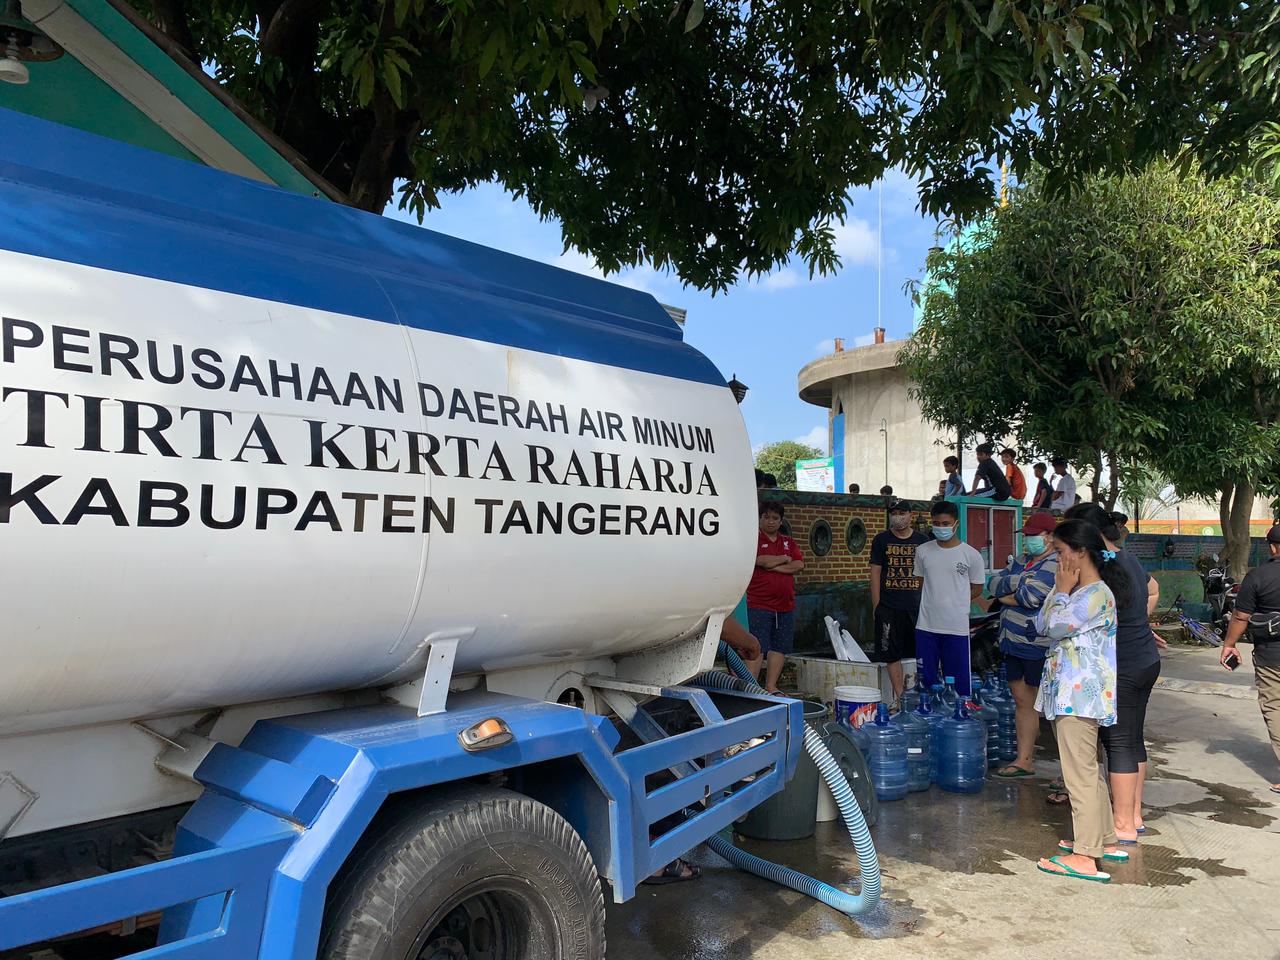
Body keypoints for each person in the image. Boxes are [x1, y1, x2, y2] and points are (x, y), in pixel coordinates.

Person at [1034, 519, 1130, 883]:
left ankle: (1085, 855)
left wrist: (1060, 591)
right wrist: (1061, 591)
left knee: (1079, 775)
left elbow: (1056, 626)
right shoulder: (1078, 592)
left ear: (1081, 552)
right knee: (1087, 770)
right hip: (1073, 695)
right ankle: (1101, 839)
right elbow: (1043, 624)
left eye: (1059, 552)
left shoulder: (1092, 595)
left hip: (1078, 697)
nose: (1056, 559)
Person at [1066, 502, 1161, 838]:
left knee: (1117, 742)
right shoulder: (1127, 559)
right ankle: (1133, 816)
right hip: (1145, 659)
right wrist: (1140, 624)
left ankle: (1122, 825)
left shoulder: (1097, 567)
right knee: (1133, 739)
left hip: (1122, 665)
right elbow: (1153, 590)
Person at [988, 513, 1059, 778]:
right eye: (1026, 536)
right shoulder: (1021, 561)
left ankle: (1071, 775)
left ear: (1049, 537)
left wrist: (1009, 589)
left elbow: (1032, 598)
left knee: (1051, 707)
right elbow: (992, 584)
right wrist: (1017, 584)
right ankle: (1024, 760)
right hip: (1012, 642)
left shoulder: (1056, 563)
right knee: (1022, 701)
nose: (1028, 540)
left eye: (1034, 535)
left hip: (1039, 645)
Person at [1219, 524, 1280, 795]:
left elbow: (1241, 617)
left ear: (1272, 547)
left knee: (1275, 708)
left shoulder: (1258, 577)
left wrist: (1229, 644)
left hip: (1271, 657)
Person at [913, 500, 986, 696]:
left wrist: (956, 601)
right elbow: (921, 582)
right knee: (926, 683)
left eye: (945, 524)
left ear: (956, 524)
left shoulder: (971, 555)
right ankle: (928, 718)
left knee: (959, 684)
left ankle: (960, 717)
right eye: (936, 523)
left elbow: (977, 588)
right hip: (926, 626)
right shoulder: (922, 551)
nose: (940, 527)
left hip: (956, 627)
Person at [869, 499, 931, 702]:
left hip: (917, 606)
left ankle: (924, 696)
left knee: (923, 652)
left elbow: (930, 573)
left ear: (910, 515)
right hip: (889, 607)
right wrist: (876, 605)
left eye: (902, 512)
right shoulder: (881, 540)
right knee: (890, 654)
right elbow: (875, 573)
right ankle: (901, 697)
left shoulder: (923, 541)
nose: (898, 516)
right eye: (894, 512)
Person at [745, 501, 804, 694]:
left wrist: (773, 565)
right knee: (756, 646)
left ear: (781, 521)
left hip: (785, 605)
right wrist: (783, 559)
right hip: (759, 603)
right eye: (766, 517)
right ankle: (750, 687)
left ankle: (771, 686)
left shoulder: (788, 541)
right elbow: (758, 560)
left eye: (775, 518)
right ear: (760, 518)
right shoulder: (753, 538)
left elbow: (799, 565)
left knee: (780, 647)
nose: (770, 521)